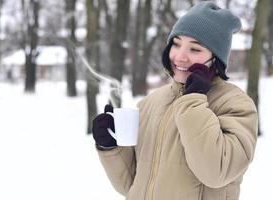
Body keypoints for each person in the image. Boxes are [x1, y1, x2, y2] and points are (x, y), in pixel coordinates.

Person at [92, 1, 258, 200]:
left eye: (195, 49)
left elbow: (216, 172)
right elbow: (132, 185)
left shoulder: (236, 105)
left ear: (216, 59)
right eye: (176, 44)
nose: (180, 57)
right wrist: (110, 146)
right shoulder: (151, 102)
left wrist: (192, 102)